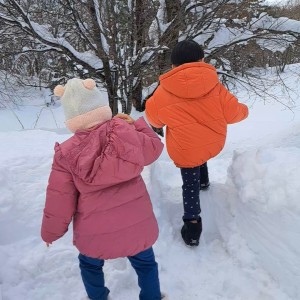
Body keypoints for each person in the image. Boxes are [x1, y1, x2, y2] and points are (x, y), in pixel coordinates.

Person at [41, 78, 164, 300]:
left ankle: (98, 297)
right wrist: (136, 124)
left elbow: (59, 198)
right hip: (136, 221)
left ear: (71, 117)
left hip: (93, 229)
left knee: (90, 265)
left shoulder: (66, 154)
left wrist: (51, 232)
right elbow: (153, 149)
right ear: (100, 106)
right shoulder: (125, 131)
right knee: (146, 263)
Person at [145, 40, 248, 247]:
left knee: (189, 178)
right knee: (199, 147)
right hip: (212, 142)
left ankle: (192, 226)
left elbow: (154, 119)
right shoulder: (215, 87)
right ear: (202, 60)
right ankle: (204, 182)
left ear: (173, 66)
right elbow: (236, 114)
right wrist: (244, 108)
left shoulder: (163, 92)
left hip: (185, 149)